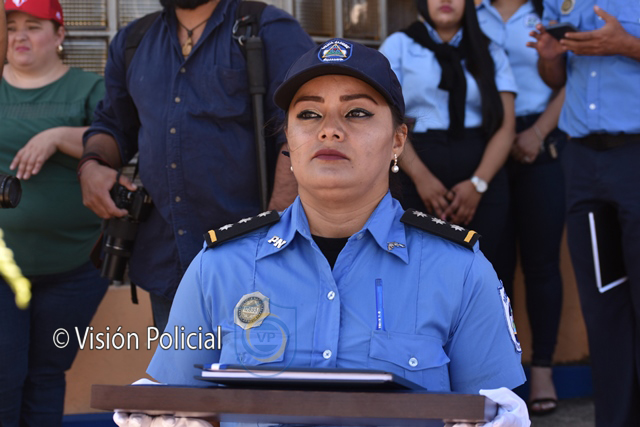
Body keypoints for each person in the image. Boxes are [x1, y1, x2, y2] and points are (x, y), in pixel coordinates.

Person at [110, 38, 531, 427]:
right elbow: (176, 401)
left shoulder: (459, 270)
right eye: (309, 114)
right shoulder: (218, 267)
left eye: (357, 112)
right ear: (288, 141)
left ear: (398, 140)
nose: (329, 129)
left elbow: (490, 410)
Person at [78, 0, 314, 334]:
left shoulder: (268, 30)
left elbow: (304, 129)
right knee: (180, 369)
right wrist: (92, 165)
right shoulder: (134, 41)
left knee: (260, 366)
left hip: (254, 264)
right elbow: (114, 124)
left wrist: (274, 234)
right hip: (167, 265)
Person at [529, 2, 640, 426]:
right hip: (583, 164)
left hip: (635, 155)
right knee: (602, 304)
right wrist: (549, 59)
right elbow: (556, 78)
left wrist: (627, 45)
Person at [0, 0, 109, 425]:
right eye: (11, 26)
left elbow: (121, 142)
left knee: (47, 375)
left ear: (60, 34)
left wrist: (59, 136)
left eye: (33, 26)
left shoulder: (89, 87)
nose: (20, 36)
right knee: (3, 376)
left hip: (76, 266)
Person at [378, 0, 517, 283]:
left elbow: (506, 126)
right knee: (420, 274)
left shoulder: (488, 49)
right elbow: (387, 120)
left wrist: (478, 184)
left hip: (482, 175)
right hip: (414, 170)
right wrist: (422, 179)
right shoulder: (399, 46)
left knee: (487, 273)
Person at [476, 0, 567, 416]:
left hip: (541, 143)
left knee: (542, 264)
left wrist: (538, 132)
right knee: (493, 266)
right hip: (486, 146)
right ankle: (504, 376)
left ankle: (543, 368)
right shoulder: (471, 14)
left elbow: (574, 79)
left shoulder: (552, 11)